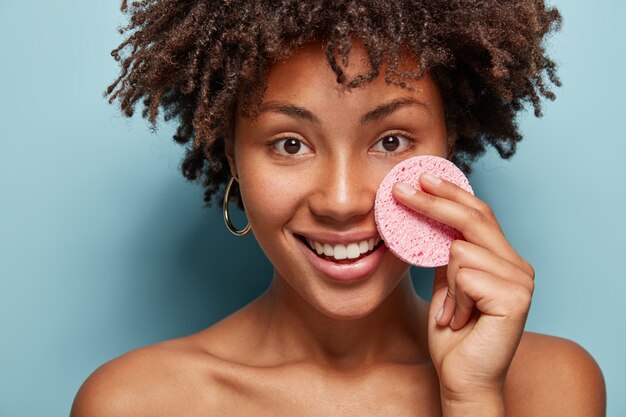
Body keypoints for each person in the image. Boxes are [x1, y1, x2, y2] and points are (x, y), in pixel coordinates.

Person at [71, 1, 606, 416]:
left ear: (449, 146)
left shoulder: (550, 386)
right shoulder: (134, 402)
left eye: (392, 141)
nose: (342, 201)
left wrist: (472, 400)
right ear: (232, 155)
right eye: (289, 144)